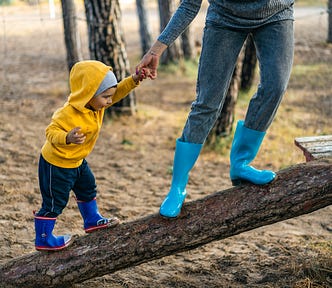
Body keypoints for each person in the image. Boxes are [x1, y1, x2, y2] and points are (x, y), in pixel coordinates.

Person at [136, 0, 294, 218]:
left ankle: (241, 163)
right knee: (207, 102)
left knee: (275, 88)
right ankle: (178, 187)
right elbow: (189, 5)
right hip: (225, 18)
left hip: (276, 13)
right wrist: (157, 49)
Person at [34, 60, 146, 251]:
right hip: (57, 164)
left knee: (87, 187)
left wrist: (134, 79)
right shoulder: (66, 113)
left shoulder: (96, 105)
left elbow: (116, 92)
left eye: (110, 96)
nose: (110, 101)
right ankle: (43, 238)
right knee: (55, 202)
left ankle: (92, 220)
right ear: (88, 94)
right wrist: (67, 137)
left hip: (77, 161)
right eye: (105, 97)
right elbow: (50, 132)